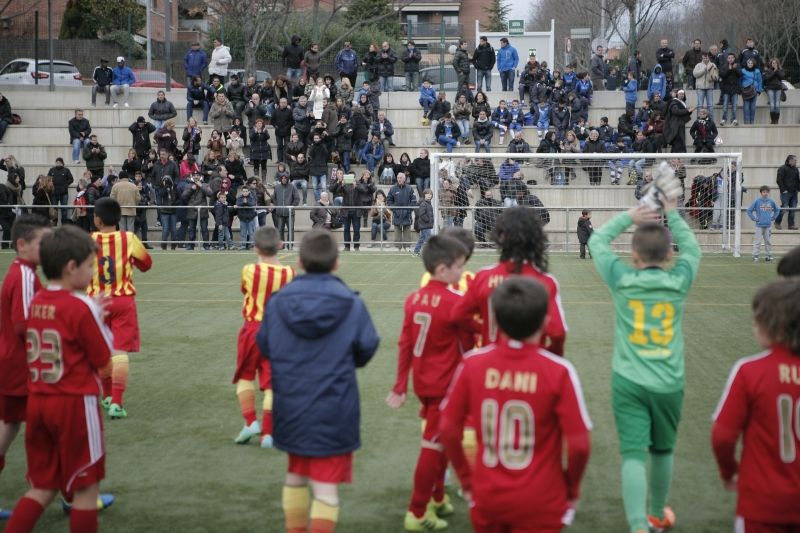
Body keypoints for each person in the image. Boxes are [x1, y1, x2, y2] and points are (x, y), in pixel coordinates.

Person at [440, 276, 592, 533]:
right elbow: (579, 445)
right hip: (541, 498)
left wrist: (467, 480)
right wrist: (572, 488)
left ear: (495, 320)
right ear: (545, 321)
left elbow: (447, 427)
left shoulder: (472, 364)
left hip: (488, 496)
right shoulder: (559, 371)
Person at [588, 189, 701, 533]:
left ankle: (639, 525)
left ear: (633, 254)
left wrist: (630, 217)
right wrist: (674, 214)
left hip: (629, 381)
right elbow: (693, 250)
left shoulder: (622, 279)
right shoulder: (678, 280)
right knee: (663, 451)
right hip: (669, 381)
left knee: (634, 455)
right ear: (669, 254)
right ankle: (655, 514)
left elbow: (596, 241)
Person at [256, 229, 379, 533]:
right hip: (333, 406)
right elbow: (367, 347)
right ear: (337, 263)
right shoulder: (351, 303)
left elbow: (266, 345)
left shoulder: (278, 302)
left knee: (296, 475)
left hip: (291, 402)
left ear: (298, 262)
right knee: (325, 488)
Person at [1, 225, 115, 533]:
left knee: (43, 486)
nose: (93, 273)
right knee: (86, 488)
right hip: (74, 404)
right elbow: (104, 360)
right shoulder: (80, 305)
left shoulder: (37, 301)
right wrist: (100, 319)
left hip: (38, 401)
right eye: (90, 266)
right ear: (71, 267)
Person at [386, 234, 473, 530]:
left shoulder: (414, 299)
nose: (463, 272)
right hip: (446, 386)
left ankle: (437, 497)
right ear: (442, 270)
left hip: (424, 382)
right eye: (460, 266)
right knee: (433, 446)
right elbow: (472, 344)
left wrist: (400, 385)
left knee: (442, 442)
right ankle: (417, 512)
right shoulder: (456, 303)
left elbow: (404, 343)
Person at [712, 277, 800, 532]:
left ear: (776, 326)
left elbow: (722, 437)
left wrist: (728, 472)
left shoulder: (750, 371)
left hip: (762, 502)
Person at [451, 207, 567, 354]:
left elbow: (458, 315)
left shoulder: (484, 276)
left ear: (501, 237)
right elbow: (557, 333)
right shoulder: (545, 281)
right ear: (536, 238)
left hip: (489, 365)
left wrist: (484, 329)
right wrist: (550, 355)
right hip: (530, 369)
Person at [0, 215, 50, 518]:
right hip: (23, 365)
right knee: (50, 426)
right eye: (42, 244)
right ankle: (71, 492)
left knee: (10, 424)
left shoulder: (20, 271)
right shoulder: (26, 276)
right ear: (22, 244)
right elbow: (26, 324)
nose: (47, 249)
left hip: (12, 362)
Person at [87, 197, 153, 423]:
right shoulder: (128, 238)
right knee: (119, 350)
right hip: (122, 300)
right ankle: (116, 401)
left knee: (102, 350)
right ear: (118, 219)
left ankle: (106, 396)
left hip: (96, 302)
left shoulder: (88, 240)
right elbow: (146, 264)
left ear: (97, 219)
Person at [232, 226, 295, 447]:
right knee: (271, 383)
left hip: (252, 329)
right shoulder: (289, 273)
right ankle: (268, 432)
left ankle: (251, 422)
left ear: (255, 248)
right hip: (277, 333)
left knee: (245, 376)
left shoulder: (249, 270)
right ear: (281, 246)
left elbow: (244, 290)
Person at [747, 185, 780, 263]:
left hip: (768, 225)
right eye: (763, 192)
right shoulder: (757, 201)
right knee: (757, 241)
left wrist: (773, 218)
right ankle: (755, 256)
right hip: (759, 226)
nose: (765, 193)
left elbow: (777, 210)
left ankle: (769, 256)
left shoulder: (771, 201)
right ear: (761, 193)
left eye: (766, 192)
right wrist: (755, 219)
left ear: (768, 193)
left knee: (768, 241)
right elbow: (749, 210)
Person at [387, 173, 416, 251]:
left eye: (401, 178)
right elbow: (389, 201)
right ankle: (398, 248)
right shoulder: (393, 189)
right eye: (398, 177)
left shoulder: (410, 188)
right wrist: (395, 210)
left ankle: (407, 247)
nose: (399, 179)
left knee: (407, 231)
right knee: (397, 232)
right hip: (396, 214)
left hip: (407, 215)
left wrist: (408, 210)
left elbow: (413, 201)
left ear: (404, 179)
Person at [273, 173, 300, 248]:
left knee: (290, 230)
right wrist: (277, 206)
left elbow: (297, 198)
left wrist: (292, 206)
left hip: (290, 213)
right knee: (280, 230)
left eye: (285, 178)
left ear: (287, 179)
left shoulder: (292, 186)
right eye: (282, 178)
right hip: (279, 213)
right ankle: (281, 246)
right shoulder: (277, 187)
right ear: (280, 179)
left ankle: (290, 245)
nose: (284, 179)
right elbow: (273, 198)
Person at [775, 155, 799, 230]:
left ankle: (791, 225)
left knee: (793, 209)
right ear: (790, 160)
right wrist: (783, 190)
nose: (796, 162)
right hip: (785, 193)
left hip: (794, 193)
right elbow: (779, 180)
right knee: (784, 208)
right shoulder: (782, 168)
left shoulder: (796, 169)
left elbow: (798, 180)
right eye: (795, 160)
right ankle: (777, 222)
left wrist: (798, 189)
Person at [693, 53, 717, 121]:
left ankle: (712, 122)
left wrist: (713, 74)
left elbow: (716, 75)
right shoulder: (698, 65)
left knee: (710, 106)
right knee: (700, 105)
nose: (705, 59)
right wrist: (704, 70)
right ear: (702, 58)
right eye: (704, 58)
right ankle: (698, 121)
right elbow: (695, 74)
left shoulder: (713, 65)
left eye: (706, 58)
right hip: (700, 88)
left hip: (709, 87)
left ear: (708, 58)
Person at [719, 53, 741, 127]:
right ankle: (724, 119)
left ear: (734, 58)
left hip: (734, 89)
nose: (731, 59)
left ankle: (734, 119)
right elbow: (722, 75)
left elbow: (740, 74)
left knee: (734, 106)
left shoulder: (737, 66)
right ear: (727, 59)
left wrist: (734, 69)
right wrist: (729, 69)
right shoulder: (724, 66)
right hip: (726, 89)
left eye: (732, 57)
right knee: (725, 105)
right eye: (729, 58)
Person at [411, 188, 434, 257]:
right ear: (424, 195)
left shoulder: (429, 204)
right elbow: (422, 214)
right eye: (427, 194)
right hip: (425, 225)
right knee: (428, 239)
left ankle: (416, 252)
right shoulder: (423, 204)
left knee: (421, 239)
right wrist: (427, 220)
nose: (429, 195)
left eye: (430, 194)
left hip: (426, 225)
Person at [740, 58, 763, 125]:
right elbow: (740, 80)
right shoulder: (743, 71)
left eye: (751, 63)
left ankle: (752, 122)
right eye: (749, 63)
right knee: (746, 107)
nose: (750, 64)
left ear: (754, 64)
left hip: (754, 90)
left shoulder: (757, 71)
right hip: (745, 91)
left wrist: (759, 90)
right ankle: (746, 123)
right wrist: (741, 88)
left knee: (753, 108)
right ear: (747, 64)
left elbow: (760, 81)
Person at [764, 58, 785, 125]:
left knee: (777, 105)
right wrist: (774, 72)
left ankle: (776, 121)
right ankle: (773, 121)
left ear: (777, 64)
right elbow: (767, 78)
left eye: (775, 63)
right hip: (770, 89)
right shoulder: (768, 70)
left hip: (778, 89)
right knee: (772, 105)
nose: (774, 64)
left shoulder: (780, 70)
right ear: (771, 64)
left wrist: (777, 71)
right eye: (773, 63)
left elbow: (782, 77)